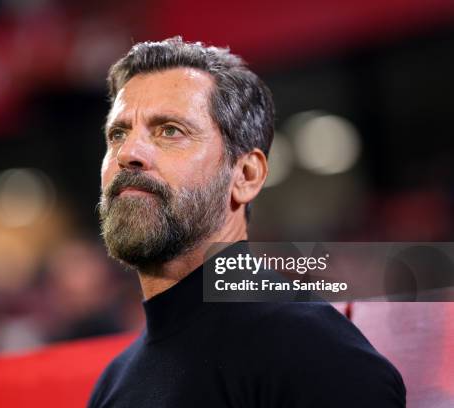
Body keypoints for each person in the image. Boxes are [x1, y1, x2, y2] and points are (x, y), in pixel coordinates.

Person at [90, 37, 406, 407]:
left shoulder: (310, 351)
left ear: (246, 175)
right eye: (118, 134)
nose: (129, 153)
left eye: (170, 130)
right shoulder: (113, 384)